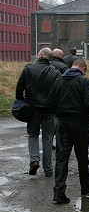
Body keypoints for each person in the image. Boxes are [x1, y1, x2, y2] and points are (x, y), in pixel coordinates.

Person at [46, 59, 89, 204]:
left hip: (62, 123)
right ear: (82, 68)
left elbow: (50, 103)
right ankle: (85, 185)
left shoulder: (58, 81)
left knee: (61, 158)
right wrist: (86, 114)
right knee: (82, 156)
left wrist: (59, 113)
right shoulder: (84, 82)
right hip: (80, 124)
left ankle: (59, 192)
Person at [15, 48, 61, 177]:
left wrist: (22, 101)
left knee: (33, 136)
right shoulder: (55, 72)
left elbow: (19, 88)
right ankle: (48, 169)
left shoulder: (28, 69)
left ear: (40, 55)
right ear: (49, 58)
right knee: (47, 139)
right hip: (49, 110)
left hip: (32, 109)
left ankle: (34, 160)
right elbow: (58, 91)